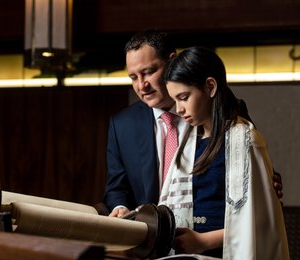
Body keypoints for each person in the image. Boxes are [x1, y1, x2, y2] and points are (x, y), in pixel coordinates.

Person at [103, 29, 283, 218]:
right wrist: (119, 207)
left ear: (172, 61)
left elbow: (251, 168)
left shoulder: (222, 110)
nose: (141, 85)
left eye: (148, 72)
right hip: (147, 239)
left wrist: (268, 183)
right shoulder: (122, 125)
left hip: (209, 236)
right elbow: (116, 188)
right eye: (133, 77)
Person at [160, 46, 290, 260]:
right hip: (189, 255)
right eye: (175, 100)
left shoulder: (245, 138)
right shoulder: (188, 141)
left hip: (226, 256)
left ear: (210, 87)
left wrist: (203, 241)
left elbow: (259, 222)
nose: (179, 109)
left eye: (184, 97)